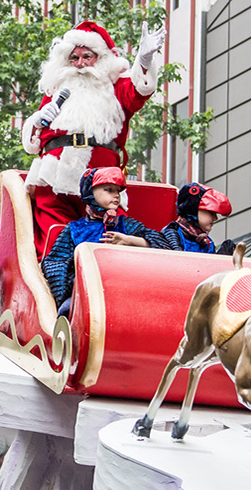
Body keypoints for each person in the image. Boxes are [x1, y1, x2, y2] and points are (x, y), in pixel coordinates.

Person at [22, 21, 166, 258]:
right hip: (55, 179)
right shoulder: (57, 92)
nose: (79, 64)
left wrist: (145, 60)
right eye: (73, 57)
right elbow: (33, 142)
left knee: (110, 240)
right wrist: (37, 119)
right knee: (56, 240)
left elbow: (139, 91)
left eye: (86, 56)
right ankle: (58, 288)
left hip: (102, 179)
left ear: (100, 58)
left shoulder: (115, 89)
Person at [41, 167, 171, 316]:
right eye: (109, 190)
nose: (116, 196)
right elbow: (55, 262)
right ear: (90, 192)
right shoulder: (75, 229)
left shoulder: (126, 224)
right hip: (86, 292)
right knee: (67, 311)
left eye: (118, 191)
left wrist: (129, 240)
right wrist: (74, 282)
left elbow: (163, 246)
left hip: (126, 291)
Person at [162, 182, 235, 255]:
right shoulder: (171, 234)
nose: (215, 218)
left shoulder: (207, 242)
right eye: (210, 212)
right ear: (193, 210)